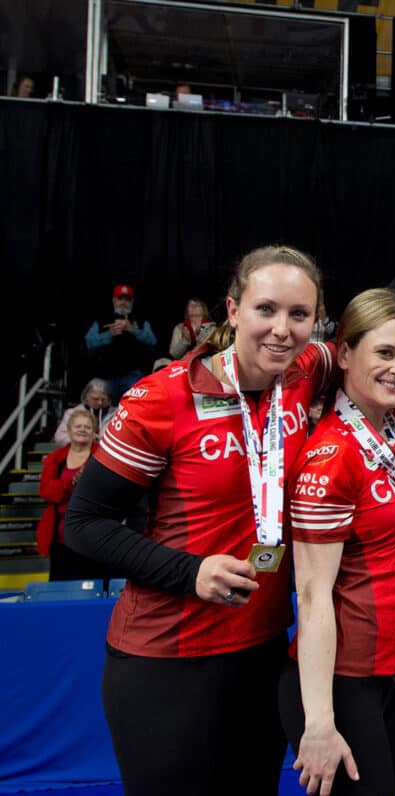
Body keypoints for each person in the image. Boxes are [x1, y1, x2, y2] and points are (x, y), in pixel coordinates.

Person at [64, 245, 334, 796]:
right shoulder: (159, 400)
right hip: (167, 658)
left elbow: (384, 322)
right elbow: (84, 524)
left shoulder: (302, 373)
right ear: (232, 310)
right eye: (266, 310)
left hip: (260, 654)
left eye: (299, 315)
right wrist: (190, 571)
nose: (282, 330)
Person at [278, 288, 395, 796]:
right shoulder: (332, 456)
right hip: (345, 681)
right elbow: (313, 593)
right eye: (385, 353)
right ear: (344, 353)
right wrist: (319, 721)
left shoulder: (393, 425)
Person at [37, 408, 102, 581]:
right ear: (69, 430)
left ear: (94, 432)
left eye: (87, 427)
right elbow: (46, 491)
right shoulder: (55, 459)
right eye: (78, 426)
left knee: (93, 584)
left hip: (93, 536)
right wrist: (71, 483)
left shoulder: (102, 457)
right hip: (60, 537)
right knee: (59, 585)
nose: (82, 430)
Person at [84, 284, 158, 401]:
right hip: (106, 375)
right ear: (114, 300)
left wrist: (132, 330)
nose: (123, 303)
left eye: (127, 300)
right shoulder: (102, 319)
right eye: (120, 299)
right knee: (98, 397)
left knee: (135, 399)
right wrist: (109, 334)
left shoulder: (141, 320)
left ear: (132, 302)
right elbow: (89, 341)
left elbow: (152, 341)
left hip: (133, 375)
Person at [54, 378, 116, 447]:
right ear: (86, 397)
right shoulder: (71, 413)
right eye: (95, 399)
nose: (100, 403)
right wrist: (83, 440)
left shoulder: (117, 414)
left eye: (103, 399)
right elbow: (59, 438)